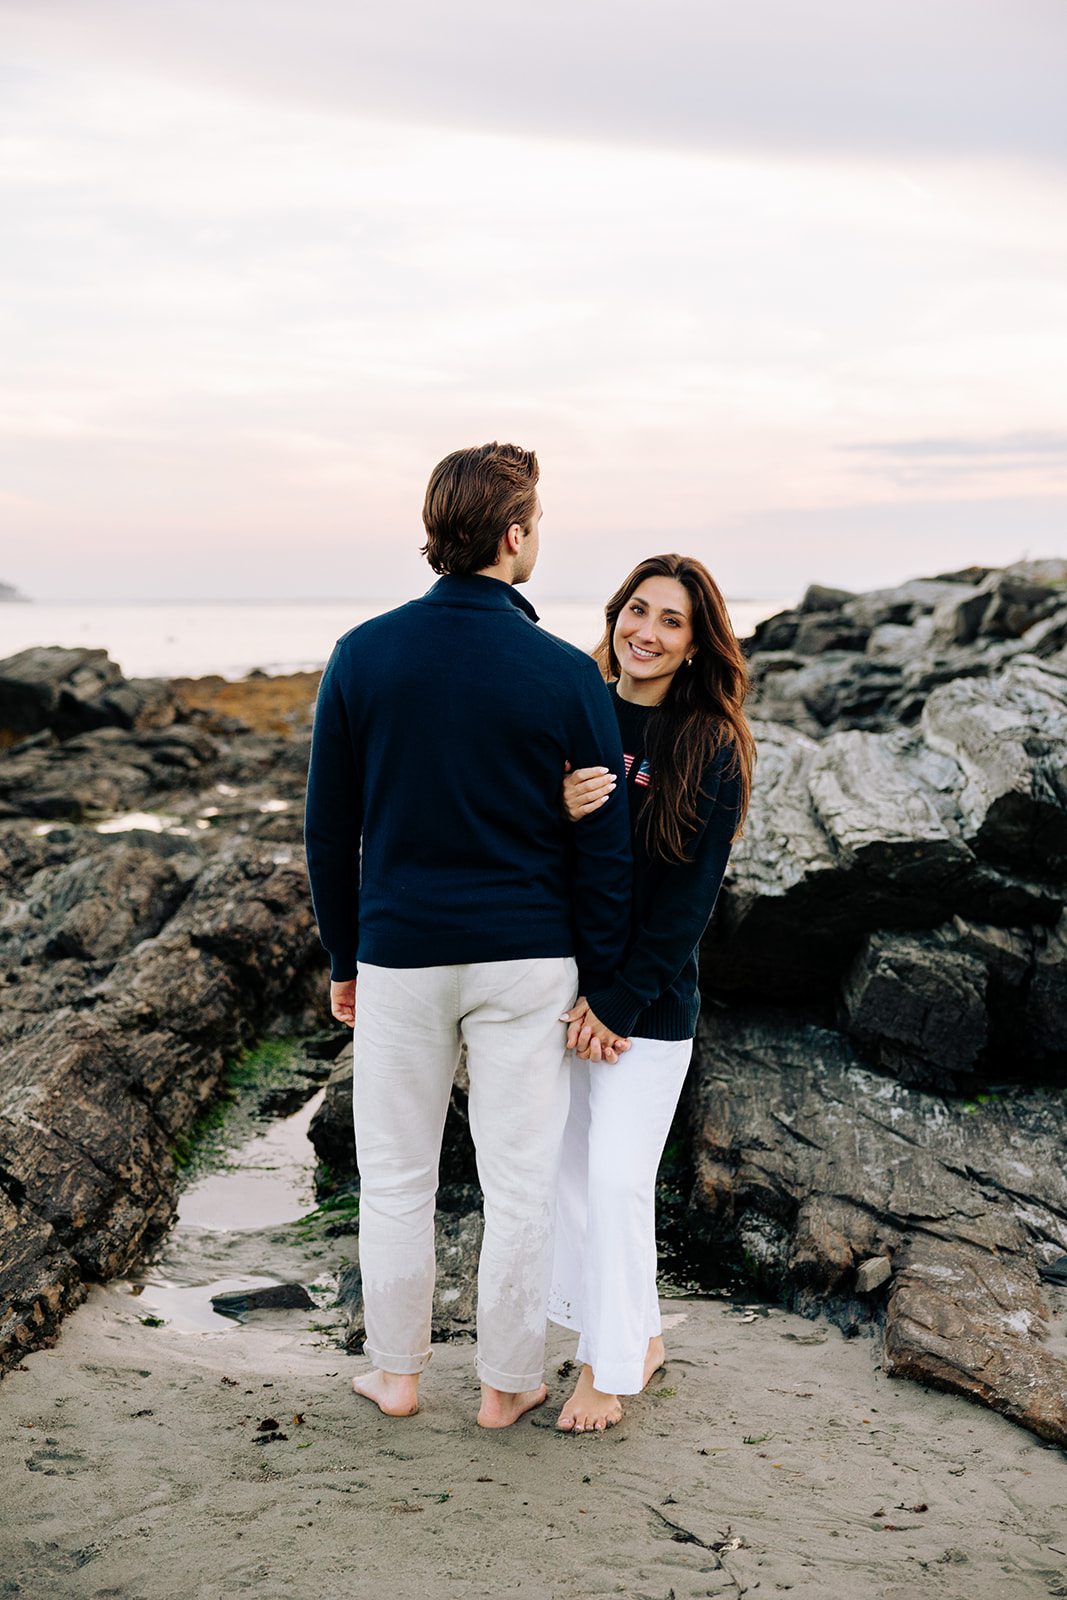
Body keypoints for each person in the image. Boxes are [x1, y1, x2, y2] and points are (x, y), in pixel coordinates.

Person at [303, 442, 632, 1429]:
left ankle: (397, 1374)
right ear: (511, 533)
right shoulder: (567, 671)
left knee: (397, 1175)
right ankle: (505, 1385)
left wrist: (341, 955)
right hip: (529, 957)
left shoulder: (364, 653)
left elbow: (329, 828)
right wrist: (602, 976)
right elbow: (603, 845)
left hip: (399, 953)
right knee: (517, 1181)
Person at [548, 553, 755, 1432]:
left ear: (695, 641)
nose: (647, 632)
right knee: (569, 1180)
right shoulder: (576, 713)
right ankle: (633, 1334)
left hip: (647, 1007)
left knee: (621, 1179)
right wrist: (551, 808)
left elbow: (688, 902)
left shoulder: (711, 743)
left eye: (671, 621)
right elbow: (532, 862)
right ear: (615, 614)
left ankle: (606, 1368)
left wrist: (620, 1002)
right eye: (638, 611)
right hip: (561, 991)